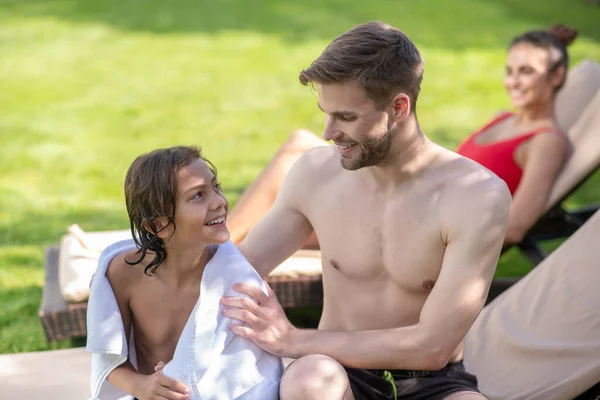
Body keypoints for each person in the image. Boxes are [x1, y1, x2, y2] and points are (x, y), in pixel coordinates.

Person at [221, 21, 512, 399]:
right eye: (326, 113)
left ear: (398, 107)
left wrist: (292, 339)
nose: (327, 132)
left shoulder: (475, 196)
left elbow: (433, 347)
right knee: (310, 380)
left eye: (345, 117)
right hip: (334, 369)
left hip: (432, 382)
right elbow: (233, 271)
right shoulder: (315, 174)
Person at [226, 24, 578, 249]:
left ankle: (218, 248)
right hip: (409, 196)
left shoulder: (546, 141)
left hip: (426, 227)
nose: (514, 81)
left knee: (300, 152)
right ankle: (221, 249)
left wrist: (438, 233)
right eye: (511, 70)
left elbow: (514, 228)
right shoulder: (504, 120)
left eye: (527, 71)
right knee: (301, 152)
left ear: (557, 75)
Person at [96, 146, 282, 400]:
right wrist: (141, 385)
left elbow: (252, 375)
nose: (219, 202)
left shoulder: (236, 282)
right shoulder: (122, 274)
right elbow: (107, 354)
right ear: (157, 225)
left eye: (216, 188)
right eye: (197, 196)